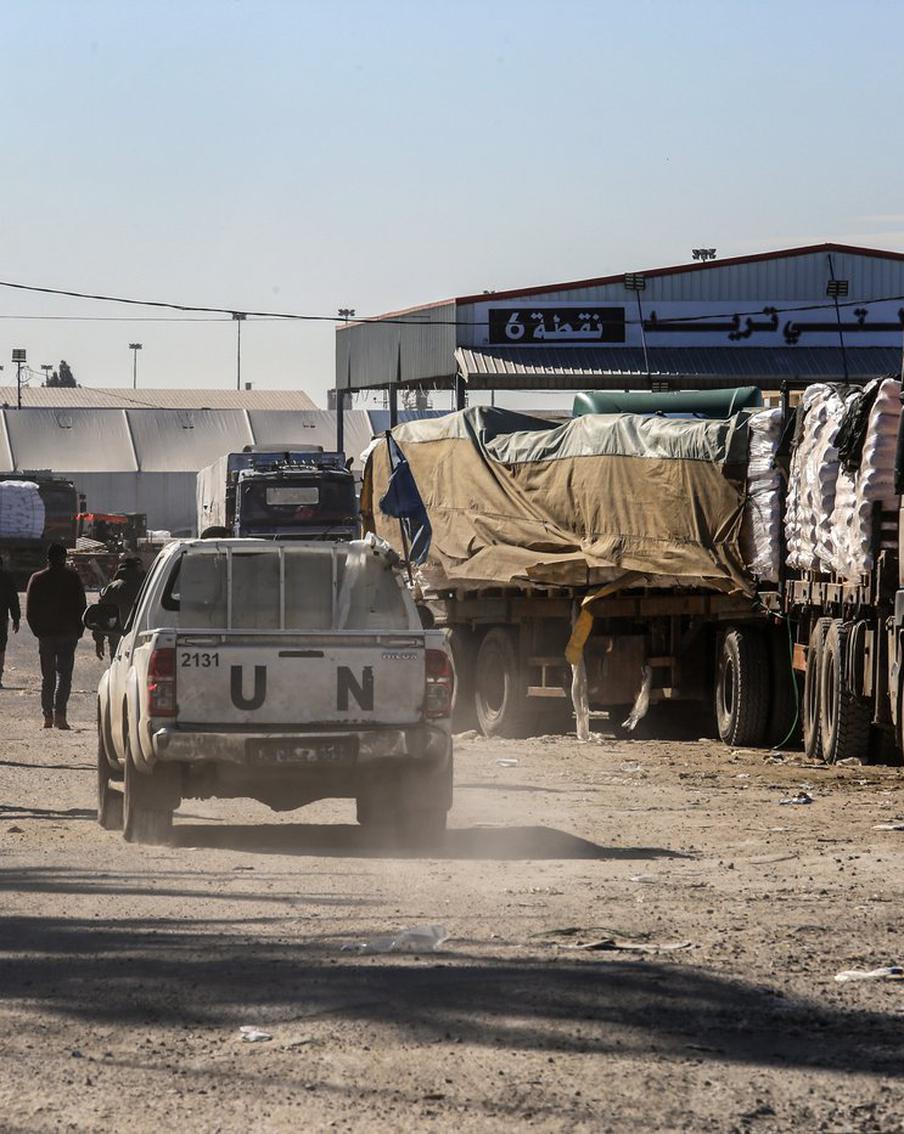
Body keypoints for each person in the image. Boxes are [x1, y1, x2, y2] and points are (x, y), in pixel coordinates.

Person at [25, 543, 86, 729]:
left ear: (48, 558)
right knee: (65, 676)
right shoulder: (73, 578)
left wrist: (38, 632)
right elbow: (81, 606)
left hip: (46, 636)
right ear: (64, 557)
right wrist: (79, 630)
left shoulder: (37, 579)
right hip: (68, 634)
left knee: (48, 677)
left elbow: (30, 610)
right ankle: (60, 715)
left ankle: (47, 716)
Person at [93, 556, 145, 660]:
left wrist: (99, 640)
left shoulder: (112, 588)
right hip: (143, 637)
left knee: (117, 669)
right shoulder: (146, 586)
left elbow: (101, 613)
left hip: (117, 636)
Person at [0, 554, 21, 688]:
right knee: (1, 648)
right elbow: (13, 599)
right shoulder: (6, 577)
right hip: (1, 619)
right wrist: (16, 618)